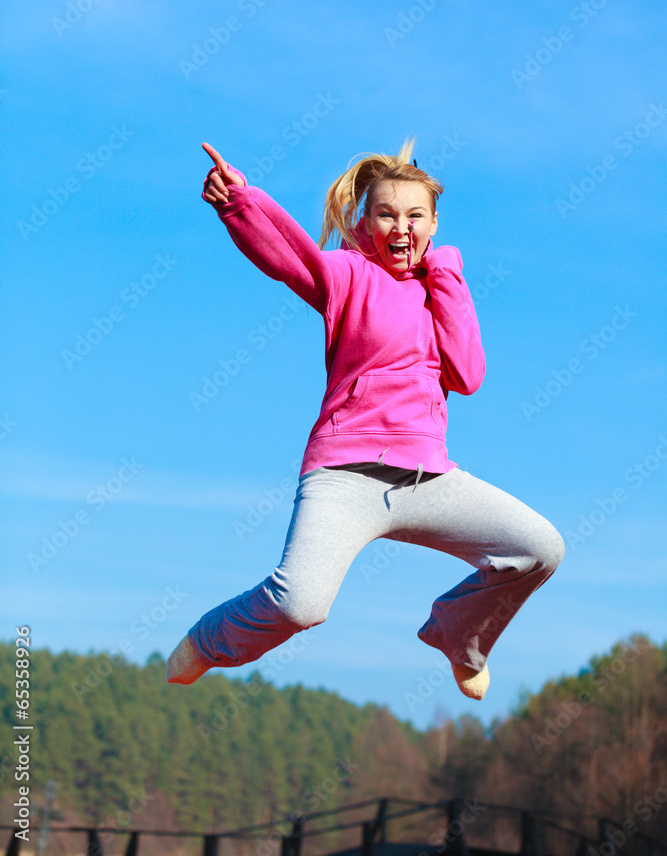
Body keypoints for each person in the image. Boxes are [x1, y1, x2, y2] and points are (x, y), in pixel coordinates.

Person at [167, 137, 565, 699]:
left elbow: (467, 374)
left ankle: (458, 636)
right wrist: (240, 202)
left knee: (539, 549)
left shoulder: (439, 288)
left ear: (433, 224)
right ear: (367, 221)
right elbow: (289, 256)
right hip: (346, 472)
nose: (401, 227)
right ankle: (209, 641)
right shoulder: (348, 274)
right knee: (300, 604)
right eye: (386, 214)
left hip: (427, 477)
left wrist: (445, 274)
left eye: (414, 216)